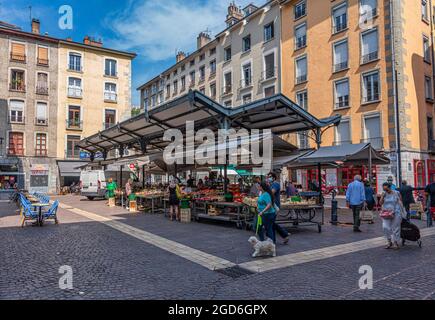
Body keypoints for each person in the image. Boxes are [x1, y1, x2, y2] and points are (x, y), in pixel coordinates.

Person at [268, 172, 290, 244]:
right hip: (271, 206)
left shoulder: (275, 184)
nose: (269, 178)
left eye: (270, 176)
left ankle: (274, 240)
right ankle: (284, 235)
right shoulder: (271, 184)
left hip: (275, 206)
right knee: (271, 223)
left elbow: (272, 192)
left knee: (271, 223)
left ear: (274, 178)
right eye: (268, 176)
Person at [380, 182, 403, 249]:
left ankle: (395, 242)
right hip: (386, 213)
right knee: (385, 227)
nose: (385, 191)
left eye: (386, 189)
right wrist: (382, 197)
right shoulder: (383, 194)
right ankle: (389, 241)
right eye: (384, 189)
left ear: (390, 187)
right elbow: (380, 203)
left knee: (395, 228)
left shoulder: (397, 193)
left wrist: (402, 211)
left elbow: (401, 201)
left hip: (396, 212)